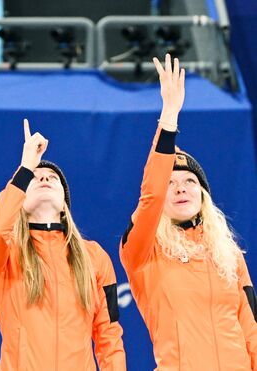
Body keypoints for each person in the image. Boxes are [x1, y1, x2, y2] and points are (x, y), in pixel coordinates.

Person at [120, 54, 257, 370]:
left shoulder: (229, 255)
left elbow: (251, 328)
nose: (181, 188)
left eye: (190, 181)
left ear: (203, 194)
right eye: (171, 183)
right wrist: (169, 117)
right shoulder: (144, 251)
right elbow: (151, 195)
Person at [0, 119, 126, 370]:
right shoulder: (8, 252)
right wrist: (25, 168)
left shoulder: (94, 256)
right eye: (36, 178)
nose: (44, 178)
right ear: (21, 202)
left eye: (52, 178)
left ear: (64, 204)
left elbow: (109, 335)